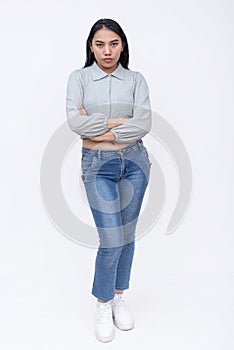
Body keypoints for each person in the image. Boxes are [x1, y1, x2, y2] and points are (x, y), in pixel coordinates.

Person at [66, 18, 152, 343]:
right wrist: (121, 121)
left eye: (113, 44)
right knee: (110, 239)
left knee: (127, 235)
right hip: (96, 165)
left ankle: (118, 296)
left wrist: (103, 127)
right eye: (100, 44)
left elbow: (144, 122)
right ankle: (102, 304)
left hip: (134, 163)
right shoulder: (79, 79)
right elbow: (75, 121)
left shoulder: (136, 79)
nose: (107, 51)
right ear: (91, 46)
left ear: (122, 46)